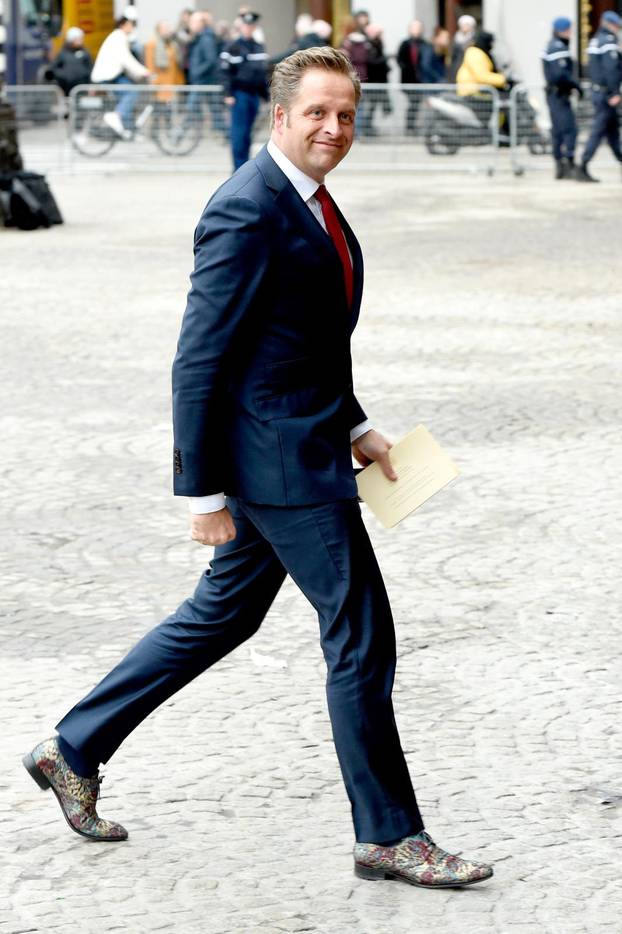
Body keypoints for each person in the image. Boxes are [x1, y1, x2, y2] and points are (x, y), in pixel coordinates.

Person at [22, 44, 494, 891]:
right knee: (362, 639)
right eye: (316, 112)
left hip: (306, 443)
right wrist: (200, 491)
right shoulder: (246, 206)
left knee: (221, 618)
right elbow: (199, 360)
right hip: (278, 468)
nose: (333, 128)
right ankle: (389, 835)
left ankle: (73, 746)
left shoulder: (310, 199)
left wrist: (359, 427)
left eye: (345, 114)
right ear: (279, 116)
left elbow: (299, 343)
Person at [90, 8, 150, 139]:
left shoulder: (118, 36)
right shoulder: (119, 37)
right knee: (131, 93)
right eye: (131, 24)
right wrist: (144, 72)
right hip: (108, 77)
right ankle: (115, 116)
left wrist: (138, 74)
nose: (132, 27)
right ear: (124, 24)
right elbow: (126, 59)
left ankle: (128, 131)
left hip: (112, 75)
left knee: (127, 97)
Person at [578, 11, 622, 183]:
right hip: (605, 95)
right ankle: (583, 163)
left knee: (612, 131)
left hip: (599, 92)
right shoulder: (608, 42)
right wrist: (614, 93)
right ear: (609, 24)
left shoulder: (595, 40)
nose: (617, 28)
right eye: (616, 25)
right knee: (599, 130)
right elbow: (611, 70)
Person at [220, 11, 268, 170]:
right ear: (241, 26)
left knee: (248, 135)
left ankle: (245, 169)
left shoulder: (258, 46)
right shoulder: (232, 46)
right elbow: (225, 72)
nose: (248, 28)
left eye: (251, 25)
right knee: (239, 135)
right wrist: (227, 93)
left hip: (253, 95)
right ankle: (238, 170)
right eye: (246, 25)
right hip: (239, 95)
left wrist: (266, 96)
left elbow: (262, 73)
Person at [542, 17, 582, 180]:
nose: (571, 32)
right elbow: (560, 74)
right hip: (559, 95)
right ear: (562, 30)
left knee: (558, 131)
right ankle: (568, 164)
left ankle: (560, 165)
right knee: (569, 130)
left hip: (555, 94)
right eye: (569, 29)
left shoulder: (553, 45)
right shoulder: (557, 47)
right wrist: (576, 85)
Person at [186, 11, 225, 134]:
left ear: (200, 23)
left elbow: (211, 60)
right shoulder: (201, 37)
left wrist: (197, 72)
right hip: (204, 81)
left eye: (193, 22)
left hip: (204, 81)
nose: (190, 25)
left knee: (191, 110)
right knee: (216, 115)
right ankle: (231, 137)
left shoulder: (206, 39)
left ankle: (176, 137)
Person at [456, 30, 506, 126]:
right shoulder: (475, 53)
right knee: (503, 103)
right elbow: (482, 76)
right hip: (473, 93)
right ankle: (498, 130)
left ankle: (499, 130)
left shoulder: (481, 53)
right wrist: (503, 79)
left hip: (478, 92)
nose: (492, 45)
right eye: (490, 42)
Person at [397, 20, 430, 135]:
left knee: (417, 104)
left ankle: (414, 126)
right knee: (413, 103)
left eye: (419, 28)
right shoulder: (405, 44)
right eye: (414, 28)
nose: (417, 31)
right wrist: (407, 68)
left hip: (421, 81)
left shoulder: (425, 44)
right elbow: (400, 60)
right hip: (409, 80)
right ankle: (409, 127)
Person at [144, 21, 184, 104]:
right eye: (165, 28)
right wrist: (153, 81)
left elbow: (176, 64)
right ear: (158, 30)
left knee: (170, 110)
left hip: (172, 83)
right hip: (159, 84)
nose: (168, 30)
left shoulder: (172, 45)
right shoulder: (151, 44)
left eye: (168, 28)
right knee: (159, 109)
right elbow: (150, 65)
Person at [47, 26, 93, 97]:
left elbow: (90, 69)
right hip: (66, 91)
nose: (81, 40)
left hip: (82, 90)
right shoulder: (63, 53)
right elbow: (54, 69)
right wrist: (62, 78)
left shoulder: (85, 52)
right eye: (78, 38)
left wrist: (91, 86)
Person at [365, 23, 391, 135]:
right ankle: (367, 128)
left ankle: (369, 127)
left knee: (374, 106)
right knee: (370, 106)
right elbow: (371, 61)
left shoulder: (378, 43)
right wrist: (384, 60)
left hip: (380, 80)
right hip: (372, 80)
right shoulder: (369, 45)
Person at [449, 14, 476, 80]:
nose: (464, 27)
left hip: (469, 68)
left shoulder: (474, 39)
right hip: (456, 67)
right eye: (463, 24)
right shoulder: (456, 38)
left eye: (467, 25)